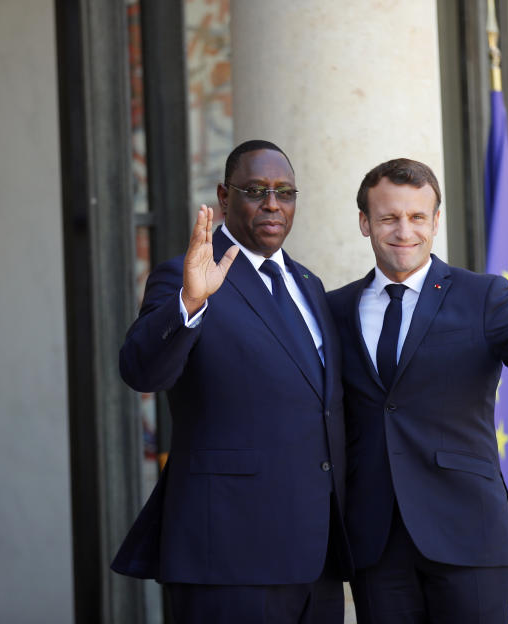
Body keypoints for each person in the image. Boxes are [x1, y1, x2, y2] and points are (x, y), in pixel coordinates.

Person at [327, 158, 508, 623]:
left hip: (468, 529)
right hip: (375, 540)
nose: (405, 230)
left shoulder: (484, 296)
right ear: (365, 223)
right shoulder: (333, 308)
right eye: (389, 217)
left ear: (436, 221)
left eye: (418, 217)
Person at [112, 140, 352, 623]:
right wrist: (190, 303)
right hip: (229, 551)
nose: (272, 204)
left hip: (315, 556)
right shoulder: (188, 275)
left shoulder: (308, 284)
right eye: (256, 190)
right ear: (224, 197)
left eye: (285, 192)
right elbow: (142, 370)